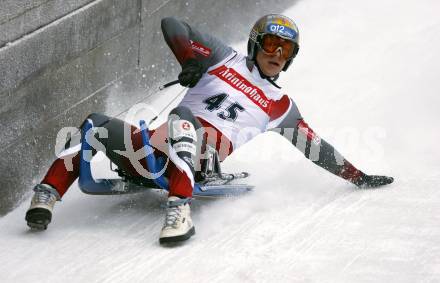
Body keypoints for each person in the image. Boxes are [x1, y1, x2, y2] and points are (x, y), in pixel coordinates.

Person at [25, 14, 393, 244]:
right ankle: (46, 196)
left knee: (183, 115)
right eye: (271, 43)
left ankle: (179, 210)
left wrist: (357, 177)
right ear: (254, 42)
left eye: (286, 49)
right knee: (94, 124)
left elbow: (317, 148)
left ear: (291, 58)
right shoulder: (223, 57)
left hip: (201, 158)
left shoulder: (281, 107)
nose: (276, 53)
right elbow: (173, 24)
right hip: (149, 153)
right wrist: (191, 59)